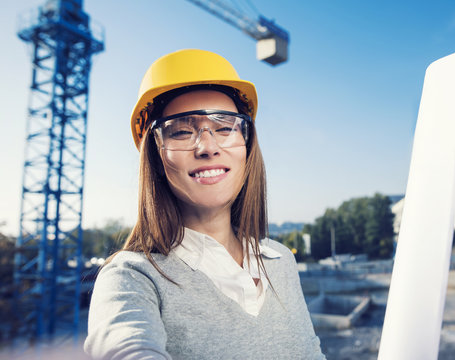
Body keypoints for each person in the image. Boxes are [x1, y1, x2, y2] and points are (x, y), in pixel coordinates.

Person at [84, 49, 325, 359]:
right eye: (182, 131)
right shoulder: (131, 279)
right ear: (156, 158)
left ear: (247, 147)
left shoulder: (279, 260)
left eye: (225, 127)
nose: (208, 146)